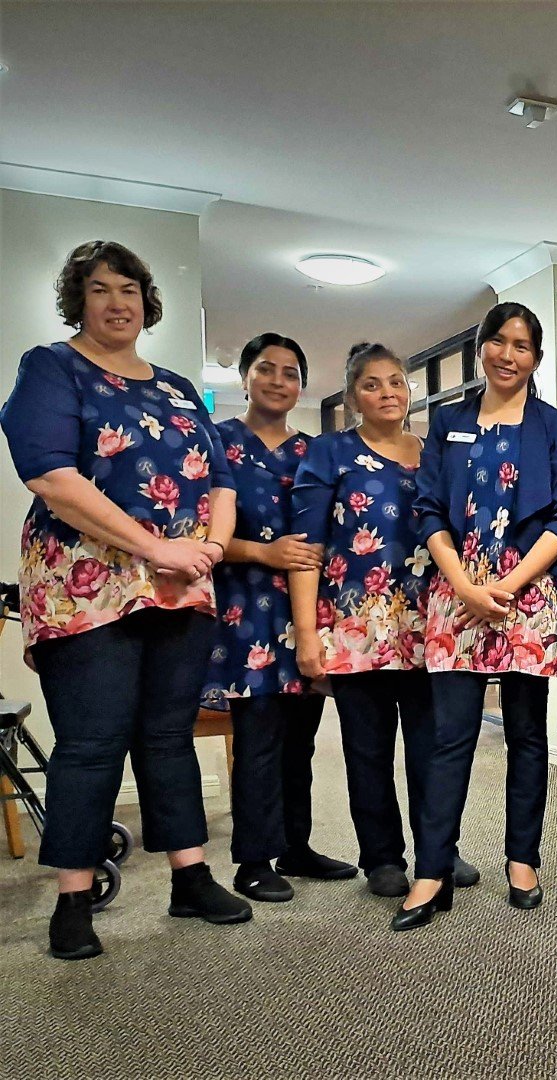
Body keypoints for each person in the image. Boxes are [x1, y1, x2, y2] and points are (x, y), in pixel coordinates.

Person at [1, 240, 251, 960]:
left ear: (147, 303)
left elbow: (222, 481)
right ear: (78, 300)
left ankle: (190, 877)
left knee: (169, 734)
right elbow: (49, 475)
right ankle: (72, 901)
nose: (118, 303)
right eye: (101, 289)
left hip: (181, 583)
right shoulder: (52, 367)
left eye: (130, 290)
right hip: (87, 585)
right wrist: (155, 547)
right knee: (93, 741)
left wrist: (209, 549)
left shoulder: (176, 386)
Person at [402, 303, 557, 929]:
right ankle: (432, 870)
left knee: (528, 736)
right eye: (498, 341)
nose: (508, 355)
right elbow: (428, 508)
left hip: (526, 592)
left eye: (522, 345)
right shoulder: (448, 421)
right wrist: (464, 586)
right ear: (482, 348)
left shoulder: (554, 426)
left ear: (537, 357)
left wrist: (507, 584)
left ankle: (523, 861)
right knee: (449, 737)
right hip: (457, 591)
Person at [289, 343, 470, 909]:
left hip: (428, 625)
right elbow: (307, 548)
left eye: (396, 381)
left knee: (432, 748)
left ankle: (438, 851)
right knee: (367, 750)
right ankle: (383, 857)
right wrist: (307, 635)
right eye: (372, 384)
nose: (387, 392)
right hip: (355, 628)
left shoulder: (435, 450)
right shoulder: (330, 452)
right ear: (352, 397)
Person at [203, 333, 356, 903]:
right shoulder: (216, 443)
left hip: (306, 613)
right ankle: (252, 861)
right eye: (266, 369)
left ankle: (296, 846)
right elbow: (194, 530)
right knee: (258, 739)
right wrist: (262, 552)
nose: (277, 381)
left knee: (301, 739)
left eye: (290, 373)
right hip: (245, 611)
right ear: (244, 377)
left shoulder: (314, 452)